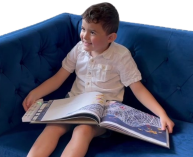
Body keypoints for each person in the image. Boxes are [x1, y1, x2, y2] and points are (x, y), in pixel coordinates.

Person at [22, 2, 174, 157]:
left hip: (103, 113)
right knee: (53, 127)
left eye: (92, 32)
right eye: (83, 29)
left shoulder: (121, 56)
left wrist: (162, 114)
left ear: (111, 37)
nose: (84, 36)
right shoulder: (79, 49)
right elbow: (59, 78)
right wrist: (36, 93)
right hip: (74, 105)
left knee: (82, 130)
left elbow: (138, 89)